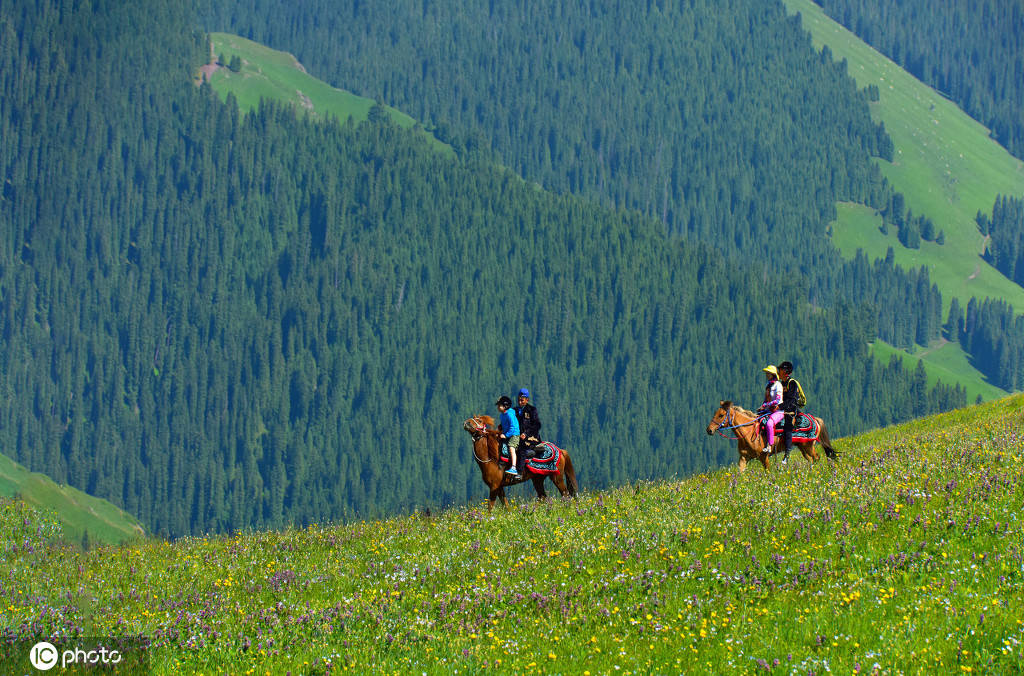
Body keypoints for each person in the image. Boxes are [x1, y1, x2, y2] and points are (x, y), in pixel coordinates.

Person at [777, 361, 806, 465]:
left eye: (780, 370)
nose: (778, 371)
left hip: (791, 410)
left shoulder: (792, 383)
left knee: (787, 427)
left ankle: (787, 454)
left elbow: (791, 400)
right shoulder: (780, 383)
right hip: (781, 409)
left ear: (785, 371)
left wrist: (780, 407)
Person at [757, 365, 785, 452]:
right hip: (769, 410)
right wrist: (762, 406)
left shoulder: (778, 385)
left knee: (769, 424)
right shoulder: (768, 385)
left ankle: (770, 445)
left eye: (768, 373)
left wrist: (766, 405)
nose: (766, 375)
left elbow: (777, 400)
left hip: (778, 411)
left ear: (772, 374)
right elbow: (766, 399)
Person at [495, 396, 521, 476]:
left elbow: (513, 427)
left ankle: (513, 467)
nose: (498, 407)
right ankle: (503, 461)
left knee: (511, 447)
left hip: (514, 435)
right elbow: (504, 425)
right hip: (506, 433)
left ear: (505, 406)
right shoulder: (502, 415)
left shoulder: (509, 414)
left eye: (499, 405)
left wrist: (506, 435)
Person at [514, 388, 543, 452]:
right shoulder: (514, 410)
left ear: (527, 400)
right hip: (516, 437)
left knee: (522, 451)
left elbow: (537, 425)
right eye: (518, 400)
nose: (519, 402)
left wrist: (526, 433)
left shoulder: (532, 410)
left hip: (530, 438)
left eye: (522, 400)